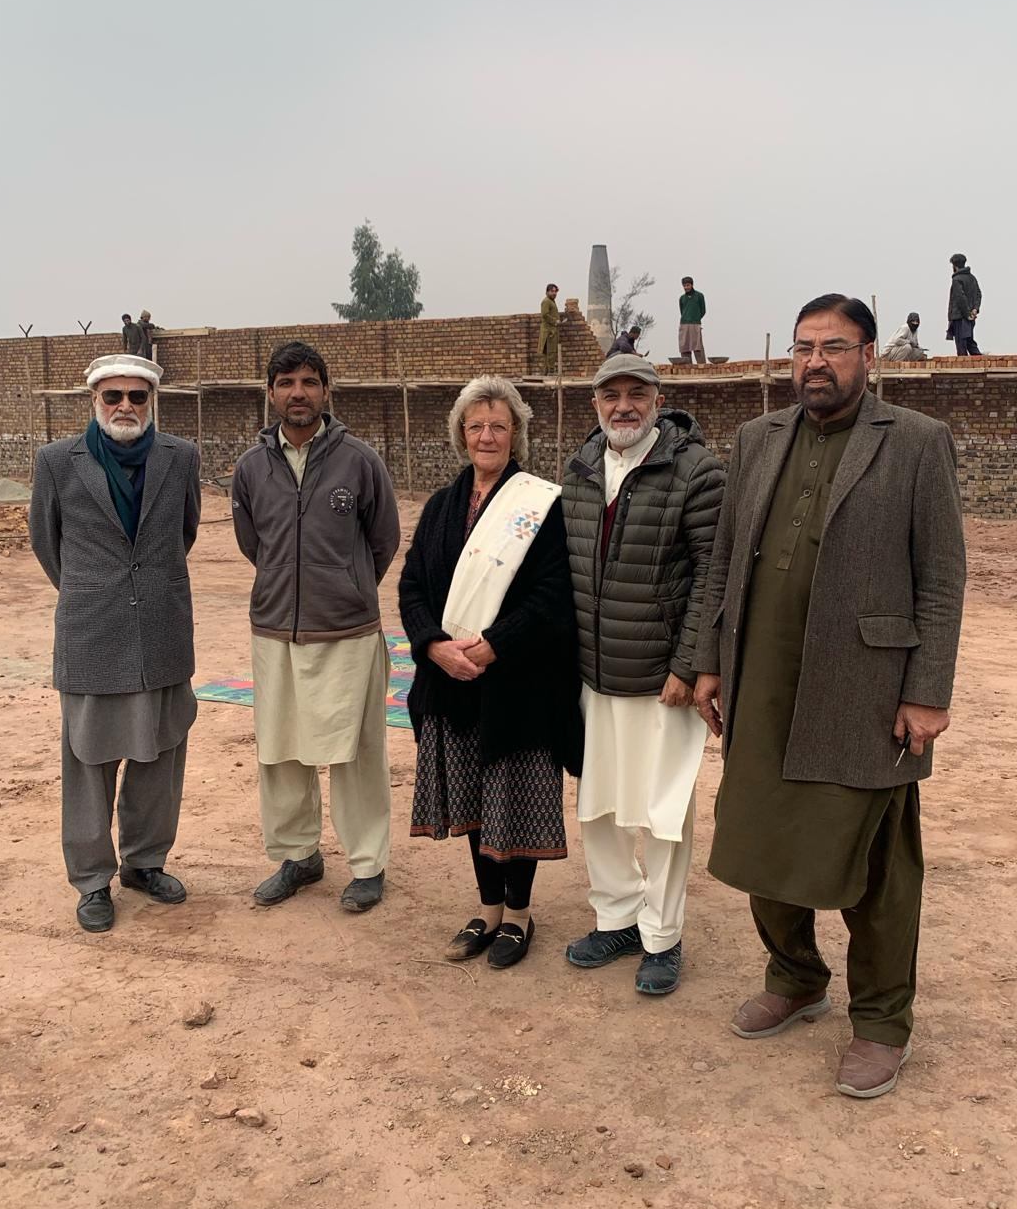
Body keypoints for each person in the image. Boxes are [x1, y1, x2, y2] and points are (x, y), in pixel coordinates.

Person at [693, 294, 965, 1099]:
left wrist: (927, 692)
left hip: (866, 689)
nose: (815, 361)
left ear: (869, 355)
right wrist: (707, 659)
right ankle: (797, 977)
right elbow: (722, 558)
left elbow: (943, 576)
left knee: (877, 867)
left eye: (835, 347)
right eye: (805, 347)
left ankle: (882, 1023)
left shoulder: (916, 442)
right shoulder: (754, 439)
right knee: (760, 842)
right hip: (762, 682)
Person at [400, 376, 582, 967]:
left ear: (515, 435)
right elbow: (411, 586)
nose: (486, 435)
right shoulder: (440, 507)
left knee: (514, 799)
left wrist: (492, 646)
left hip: (517, 684)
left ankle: (521, 916)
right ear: (461, 433)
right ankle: (487, 910)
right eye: (476, 425)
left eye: (498, 426)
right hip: (451, 683)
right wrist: (433, 646)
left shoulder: (536, 506)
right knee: (476, 802)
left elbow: (553, 594)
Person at [561, 353, 724, 996]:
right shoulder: (578, 470)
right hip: (591, 673)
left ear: (659, 400)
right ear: (595, 404)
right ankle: (616, 916)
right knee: (598, 805)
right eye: (611, 396)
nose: (623, 406)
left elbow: (713, 577)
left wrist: (689, 664)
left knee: (663, 812)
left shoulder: (695, 471)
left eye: (637, 394)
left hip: (663, 678)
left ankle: (662, 934)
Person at [28, 353, 201, 933]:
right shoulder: (56, 462)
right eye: (113, 397)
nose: (125, 406)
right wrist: (93, 591)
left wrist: (145, 589)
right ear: (94, 401)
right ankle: (92, 881)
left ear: (151, 402)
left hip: (162, 634)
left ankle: (146, 863)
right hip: (92, 636)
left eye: (136, 397)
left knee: (161, 756)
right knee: (88, 763)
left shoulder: (180, 458)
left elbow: (186, 532)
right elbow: (46, 542)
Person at [232, 340, 400, 913]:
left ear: (327, 390)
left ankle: (367, 863)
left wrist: (341, 585)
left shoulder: (359, 459)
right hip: (275, 628)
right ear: (271, 393)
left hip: (348, 632)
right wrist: (289, 584)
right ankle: (298, 856)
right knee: (281, 751)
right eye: (285, 383)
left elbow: (383, 541)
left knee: (357, 752)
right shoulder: (253, 467)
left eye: (308, 381)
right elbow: (254, 543)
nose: (297, 393)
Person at [945, 255, 982, 355]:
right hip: (970, 317)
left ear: (954, 266)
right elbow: (978, 294)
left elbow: (960, 298)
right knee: (970, 342)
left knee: (961, 344)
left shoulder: (957, 279)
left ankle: (966, 367)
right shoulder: (972, 278)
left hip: (960, 317)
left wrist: (967, 314)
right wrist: (975, 309)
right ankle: (980, 361)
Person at [678, 277, 707, 364]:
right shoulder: (682, 298)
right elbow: (682, 311)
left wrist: (696, 318)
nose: (686, 287)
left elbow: (703, 310)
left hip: (695, 323)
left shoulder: (699, 296)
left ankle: (702, 366)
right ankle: (687, 367)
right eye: (684, 286)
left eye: (688, 285)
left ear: (692, 285)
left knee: (697, 347)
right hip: (684, 324)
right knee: (684, 347)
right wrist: (686, 319)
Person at [538, 284, 562, 368]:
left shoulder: (551, 301)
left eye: (555, 291)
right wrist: (555, 321)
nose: (554, 293)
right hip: (549, 331)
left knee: (551, 352)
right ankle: (550, 371)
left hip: (552, 331)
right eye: (552, 291)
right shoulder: (546, 301)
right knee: (550, 352)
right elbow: (545, 315)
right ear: (547, 292)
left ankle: (549, 370)